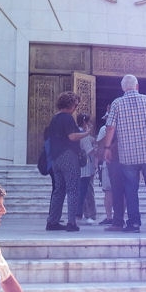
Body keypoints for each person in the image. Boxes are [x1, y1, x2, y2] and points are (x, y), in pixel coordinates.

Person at [98, 74, 146, 233]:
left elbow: (110, 127)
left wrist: (107, 148)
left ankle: (134, 223)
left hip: (128, 155)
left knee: (131, 189)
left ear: (123, 88)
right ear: (137, 86)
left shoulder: (117, 103)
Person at [45, 91, 91, 232]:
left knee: (59, 190)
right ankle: (72, 223)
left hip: (55, 158)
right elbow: (72, 136)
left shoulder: (55, 118)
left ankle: (52, 222)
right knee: (73, 189)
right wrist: (86, 133)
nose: (76, 107)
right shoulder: (67, 118)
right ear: (70, 104)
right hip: (68, 157)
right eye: (75, 104)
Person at [76, 113, 99, 225]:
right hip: (86, 166)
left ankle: (83, 213)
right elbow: (89, 150)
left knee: (83, 190)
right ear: (85, 122)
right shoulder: (83, 135)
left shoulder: (77, 132)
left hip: (78, 166)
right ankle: (90, 214)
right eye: (89, 122)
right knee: (88, 191)